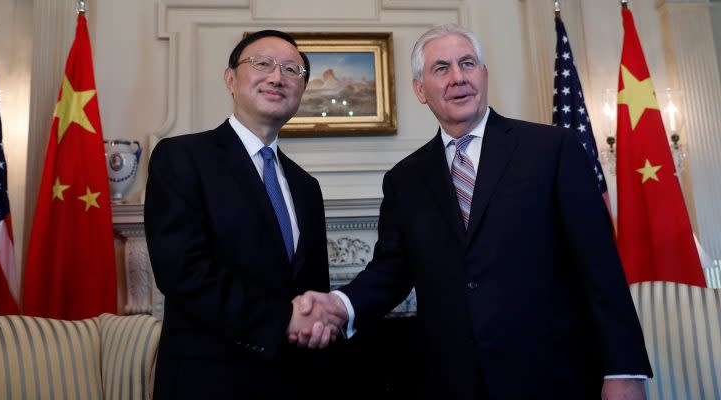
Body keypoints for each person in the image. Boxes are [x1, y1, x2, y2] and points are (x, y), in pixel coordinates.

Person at [294, 24, 653, 399]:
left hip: (553, 374)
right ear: (420, 90)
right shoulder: (405, 179)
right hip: (455, 380)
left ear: (483, 75)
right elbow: (391, 271)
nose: (457, 78)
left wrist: (624, 370)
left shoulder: (551, 149)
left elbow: (599, 266)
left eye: (467, 64)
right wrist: (339, 304)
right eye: (441, 68)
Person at [144, 30, 340, 399]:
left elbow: (313, 290)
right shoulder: (181, 158)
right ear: (230, 79)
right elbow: (183, 272)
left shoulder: (306, 186)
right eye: (262, 63)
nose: (277, 76)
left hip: (292, 381)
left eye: (292, 70)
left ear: (301, 90)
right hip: (209, 381)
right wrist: (282, 318)